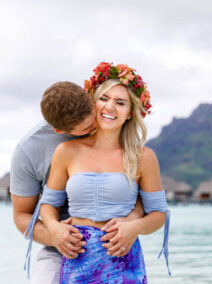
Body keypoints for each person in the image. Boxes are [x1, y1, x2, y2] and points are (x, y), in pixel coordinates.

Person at [27, 62, 170, 283]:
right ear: (94, 102)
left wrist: (135, 227)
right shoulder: (67, 151)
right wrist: (55, 228)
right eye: (104, 99)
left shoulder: (144, 157)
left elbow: (159, 215)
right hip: (76, 259)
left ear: (131, 112)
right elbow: (48, 204)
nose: (110, 107)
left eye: (120, 102)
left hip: (123, 260)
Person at [10, 81, 145, 283]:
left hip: (113, 246)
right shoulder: (28, 149)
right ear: (59, 131)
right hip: (60, 249)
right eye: (88, 127)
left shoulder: (107, 117)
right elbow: (22, 215)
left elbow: (139, 193)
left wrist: (131, 223)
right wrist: (55, 235)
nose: (96, 125)